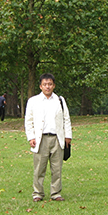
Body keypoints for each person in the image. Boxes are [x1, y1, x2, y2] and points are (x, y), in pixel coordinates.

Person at [24, 73, 72, 202]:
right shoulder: (33, 101)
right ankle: (38, 193)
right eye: (45, 84)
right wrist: (31, 137)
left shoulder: (60, 100)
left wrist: (68, 136)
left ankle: (56, 193)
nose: (47, 87)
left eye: (50, 84)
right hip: (41, 139)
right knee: (39, 168)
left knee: (57, 168)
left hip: (57, 138)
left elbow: (66, 119)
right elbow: (29, 121)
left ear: (54, 85)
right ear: (40, 86)